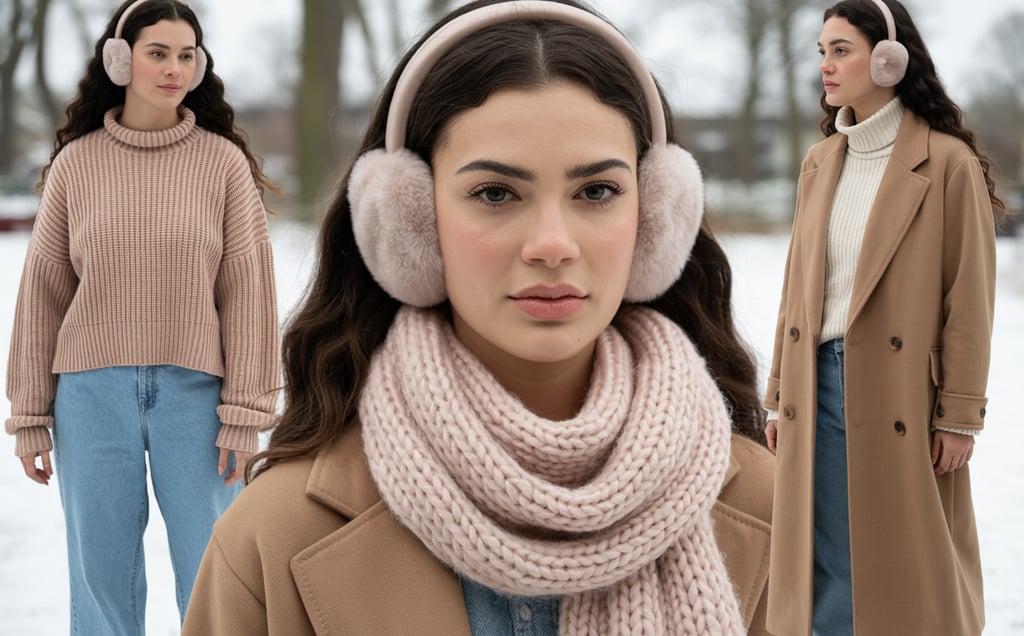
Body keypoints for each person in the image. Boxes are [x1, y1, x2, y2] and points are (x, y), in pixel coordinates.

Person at [183, 0, 773, 634]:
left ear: (657, 218)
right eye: (495, 193)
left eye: (596, 191)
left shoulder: (779, 512)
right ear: (408, 223)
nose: (552, 244)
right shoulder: (273, 537)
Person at [5, 0, 281, 632]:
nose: (174, 69)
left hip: (199, 398)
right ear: (120, 60)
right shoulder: (78, 163)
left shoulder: (221, 164)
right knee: (101, 578)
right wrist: (30, 414)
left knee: (216, 568)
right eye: (158, 53)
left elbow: (249, 293)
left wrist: (246, 412)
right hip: (90, 394)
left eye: (188, 55)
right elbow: (44, 289)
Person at [761, 0, 1003, 634]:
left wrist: (958, 411)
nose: (825, 66)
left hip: (899, 393)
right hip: (814, 384)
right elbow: (797, 288)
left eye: (841, 49)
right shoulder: (821, 163)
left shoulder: (947, 163)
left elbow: (968, 300)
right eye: (821, 51)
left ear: (890, 59)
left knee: (884, 568)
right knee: (822, 561)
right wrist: (780, 395)